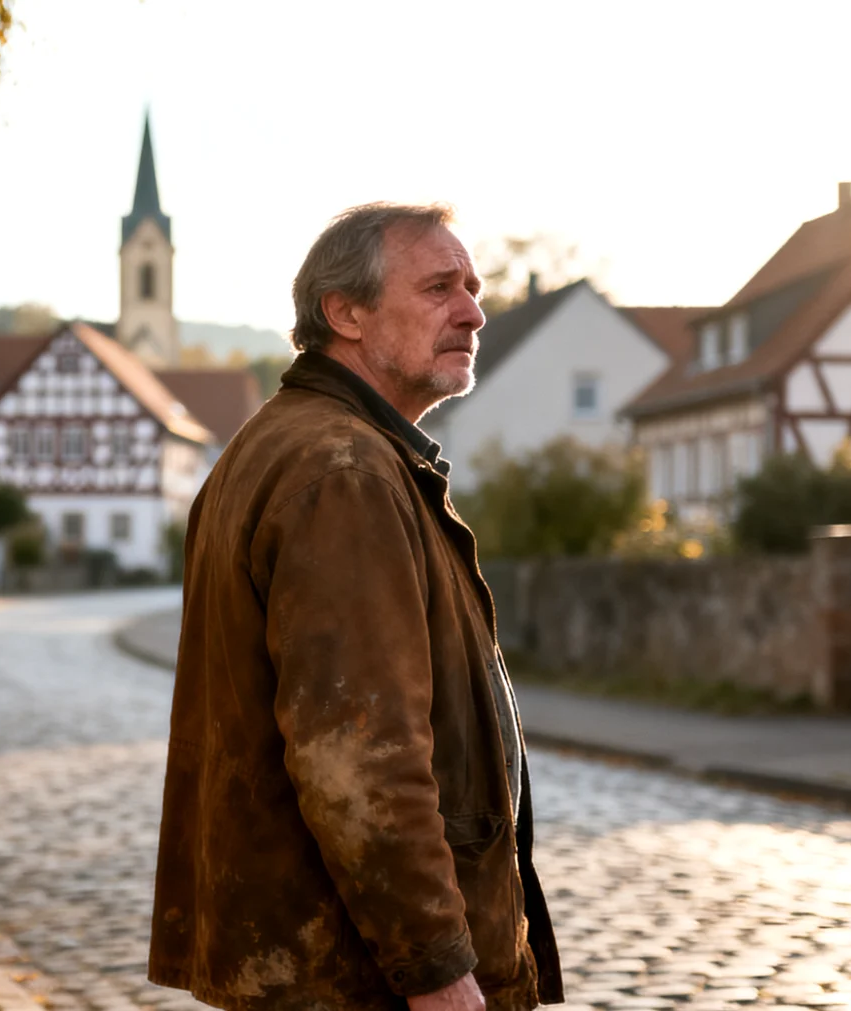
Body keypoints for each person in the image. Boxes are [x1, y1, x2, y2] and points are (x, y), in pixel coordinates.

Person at [148, 204, 562, 1011]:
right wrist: (437, 967)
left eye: (473, 288)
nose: (474, 311)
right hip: (351, 976)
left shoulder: (283, 446)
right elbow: (360, 757)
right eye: (440, 287)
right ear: (346, 313)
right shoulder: (344, 472)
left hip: (307, 962)